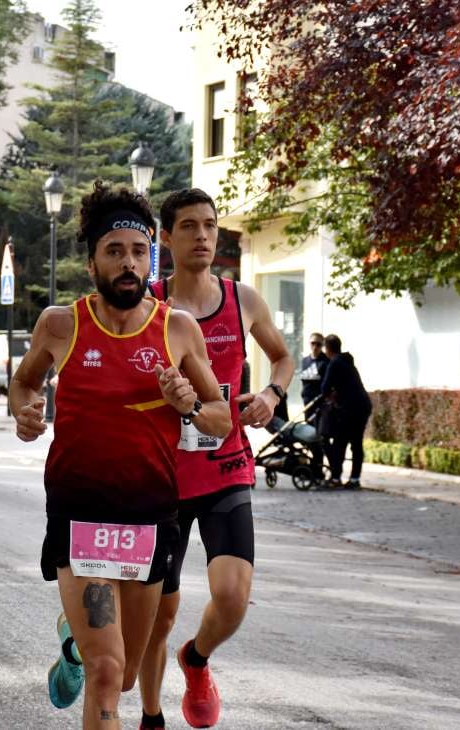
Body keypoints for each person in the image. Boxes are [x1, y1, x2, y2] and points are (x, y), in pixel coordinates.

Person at [10, 181, 230, 729]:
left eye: (138, 252)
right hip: (80, 513)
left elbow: (219, 419)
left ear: (149, 256)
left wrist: (189, 406)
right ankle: (86, 648)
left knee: (127, 672)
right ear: (93, 263)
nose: (128, 263)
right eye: (114, 252)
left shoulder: (176, 329)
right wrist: (26, 412)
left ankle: (73, 642)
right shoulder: (62, 324)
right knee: (107, 674)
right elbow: (24, 384)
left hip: (150, 517)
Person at [140, 187, 296, 730]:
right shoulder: (148, 304)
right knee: (158, 617)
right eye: (189, 226)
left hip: (227, 465)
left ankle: (197, 659)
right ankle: (151, 715)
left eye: (209, 225)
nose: (203, 235)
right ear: (166, 236)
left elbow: (281, 358)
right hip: (162, 478)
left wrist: (271, 396)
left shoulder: (242, 299)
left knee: (232, 598)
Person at [318, 335, 372, 489]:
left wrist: (330, 395)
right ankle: (355, 479)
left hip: (349, 409)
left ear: (327, 349)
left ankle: (336, 477)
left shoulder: (334, 363)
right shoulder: (347, 361)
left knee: (339, 442)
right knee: (356, 443)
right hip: (362, 405)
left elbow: (324, 388)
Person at [298, 333, 330, 475]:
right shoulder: (305, 361)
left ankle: (318, 469)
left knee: (318, 438)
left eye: (318, 344)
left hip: (320, 407)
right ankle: (312, 467)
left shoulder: (325, 362)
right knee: (308, 438)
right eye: (313, 343)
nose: (315, 347)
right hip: (307, 405)